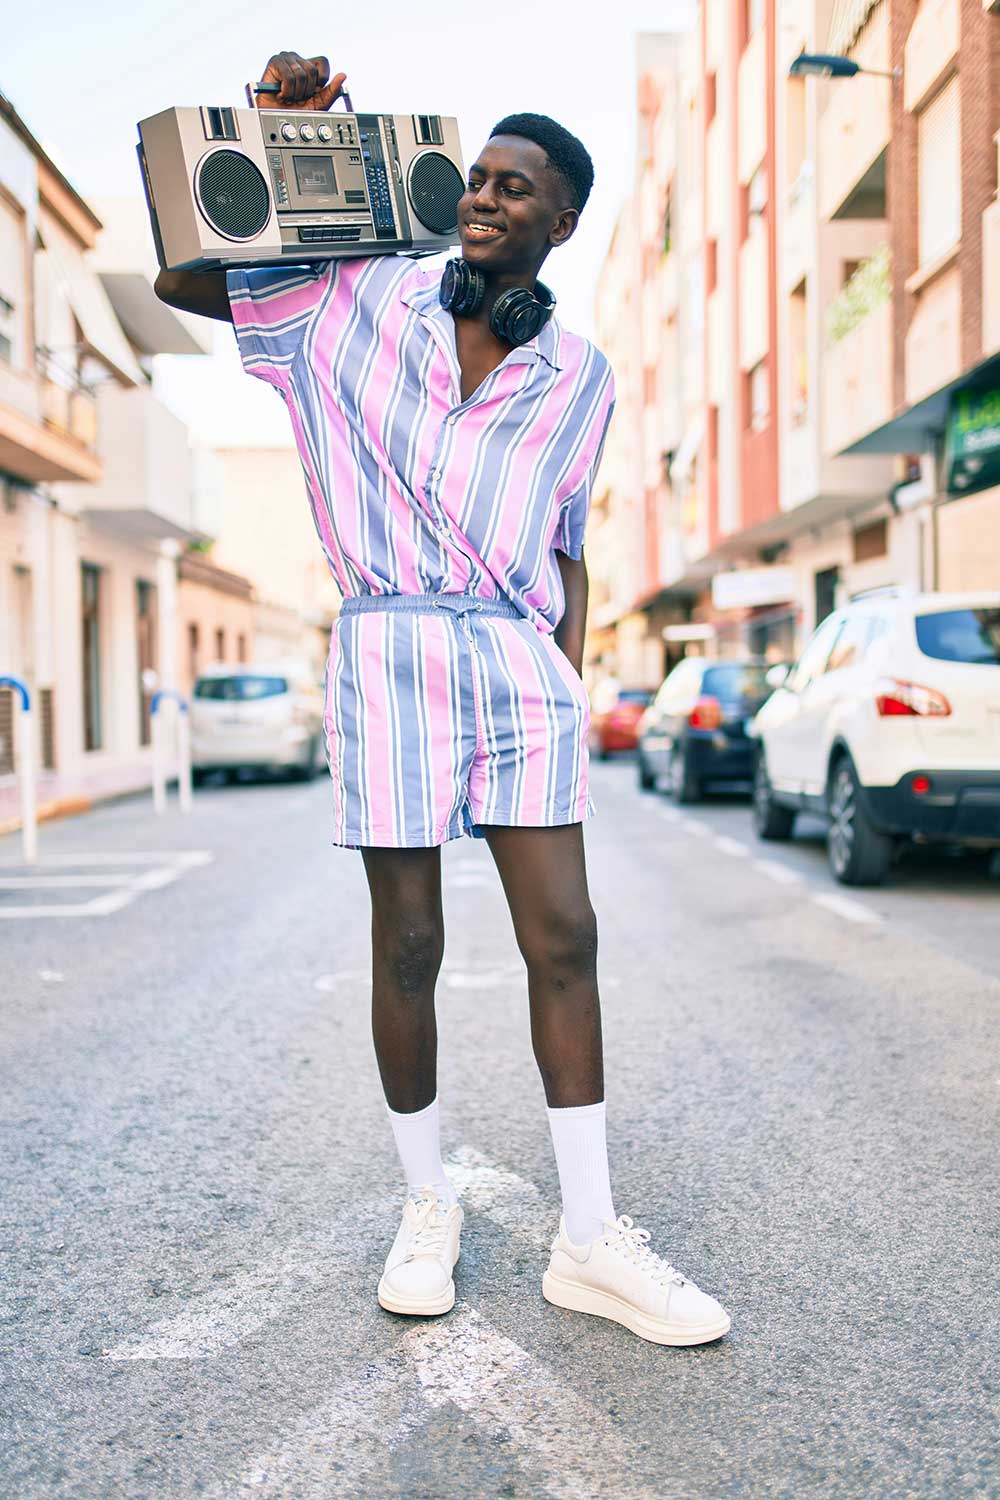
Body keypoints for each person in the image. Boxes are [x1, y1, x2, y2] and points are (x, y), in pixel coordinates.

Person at [156, 50, 731, 1347]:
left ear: (561, 221)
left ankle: (590, 1240)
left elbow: (570, 540)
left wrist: (567, 675)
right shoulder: (357, 303)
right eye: (475, 179)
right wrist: (284, 139)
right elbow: (190, 272)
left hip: (517, 662)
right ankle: (427, 1206)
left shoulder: (578, 376)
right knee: (408, 941)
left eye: (514, 187)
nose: (483, 196)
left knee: (566, 936)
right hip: (389, 647)